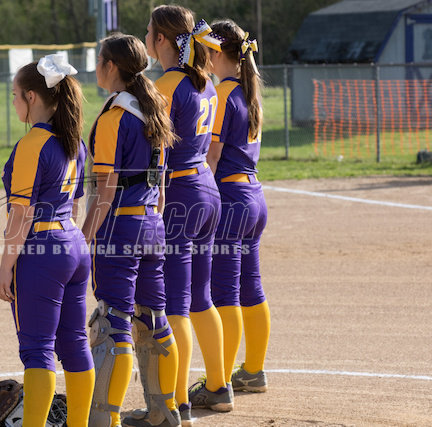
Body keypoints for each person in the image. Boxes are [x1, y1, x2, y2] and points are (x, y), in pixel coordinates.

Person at [81, 34, 180, 427]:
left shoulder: (114, 118)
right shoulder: (154, 109)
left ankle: (103, 419)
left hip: (119, 227)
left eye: (98, 60)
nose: (95, 67)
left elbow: (105, 191)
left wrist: (83, 238)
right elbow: (160, 186)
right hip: (152, 225)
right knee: (152, 319)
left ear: (112, 66)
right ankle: (164, 411)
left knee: (112, 322)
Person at [0, 54, 94, 427]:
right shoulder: (75, 141)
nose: (13, 102)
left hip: (42, 251)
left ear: (32, 97)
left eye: (15, 95)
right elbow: (75, 206)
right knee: (75, 344)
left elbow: (21, 215)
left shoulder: (33, 143)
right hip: (72, 244)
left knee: (38, 351)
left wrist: (5, 268)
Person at [145, 5, 231, 424]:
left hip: (179, 192)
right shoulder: (206, 81)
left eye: (149, 31)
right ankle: (219, 385)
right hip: (207, 188)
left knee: (175, 305)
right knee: (201, 297)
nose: (146, 37)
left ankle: (176, 403)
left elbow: (156, 150)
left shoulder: (165, 84)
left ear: (162, 39)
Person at [205, 19, 271, 395]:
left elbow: (212, 157)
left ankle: (222, 380)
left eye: (206, 50)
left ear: (217, 53)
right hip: (254, 198)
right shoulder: (248, 92)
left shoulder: (222, 94)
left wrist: (202, 200)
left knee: (224, 293)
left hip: (230, 200)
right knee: (251, 287)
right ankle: (254, 370)